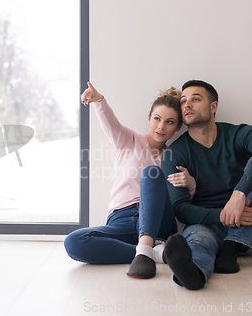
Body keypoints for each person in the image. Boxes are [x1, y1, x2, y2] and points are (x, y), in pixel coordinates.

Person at [64, 82, 196, 279]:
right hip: (121, 220)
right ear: (149, 118)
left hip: (158, 222)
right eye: (157, 119)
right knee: (74, 241)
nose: (161, 126)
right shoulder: (129, 140)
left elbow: (180, 201)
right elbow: (110, 123)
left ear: (177, 127)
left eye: (169, 122)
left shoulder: (174, 157)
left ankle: (146, 250)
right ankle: (154, 253)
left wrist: (191, 184)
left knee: (151, 173)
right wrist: (99, 100)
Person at [161, 80, 252, 290]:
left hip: (251, 225)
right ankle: (192, 273)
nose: (187, 105)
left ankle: (232, 245)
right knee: (198, 243)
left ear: (213, 106)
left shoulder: (237, 134)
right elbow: (180, 208)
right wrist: (223, 215)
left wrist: (239, 193)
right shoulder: (174, 152)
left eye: (195, 99)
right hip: (207, 225)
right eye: (183, 101)